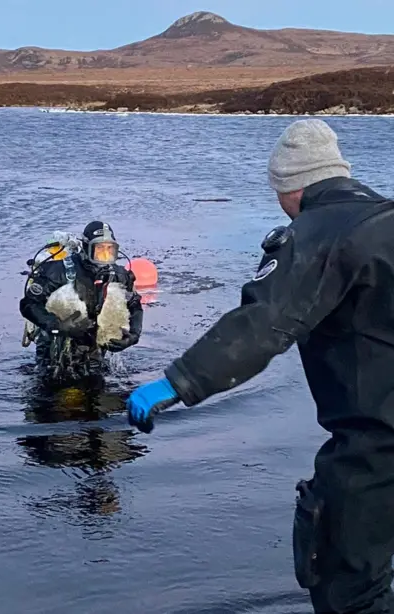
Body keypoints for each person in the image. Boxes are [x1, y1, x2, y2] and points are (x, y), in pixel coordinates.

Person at [126, 119, 394, 614]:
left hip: (376, 449)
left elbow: (264, 323)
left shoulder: (318, 234)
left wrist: (177, 381)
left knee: (349, 588)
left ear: (289, 187)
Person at [20, 221, 143, 382]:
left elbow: (135, 305)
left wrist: (133, 336)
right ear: (86, 248)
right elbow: (29, 304)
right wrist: (56, 325)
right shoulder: (57, 272)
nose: (106, 257)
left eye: (110, 250)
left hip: (94, 351)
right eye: (99, 250)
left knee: (95, 393)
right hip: (54, 352)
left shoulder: (119, 275)